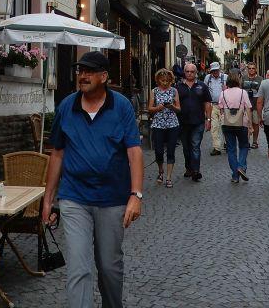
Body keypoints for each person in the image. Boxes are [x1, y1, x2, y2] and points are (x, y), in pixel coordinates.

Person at [43, 51, 143, 308]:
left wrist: (136, 195)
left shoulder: (121, 106)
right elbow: (57, 153)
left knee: (109, 268)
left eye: (88, 71)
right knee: (79, 267)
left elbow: (134, 152)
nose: (82, 76)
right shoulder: (67, 106)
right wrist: (48, 199)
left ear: (104, 76)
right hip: (74, 197)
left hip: (112, 199)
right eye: (80, 71)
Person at [176, 63, 212, 181]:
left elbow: (207, 103)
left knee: (195, 146)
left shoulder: (202, 86)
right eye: (187, 71)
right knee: (186, 147)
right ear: (184, 72)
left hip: (198, 121)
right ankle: (189, 167)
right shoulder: (178, 87)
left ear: (196, 73)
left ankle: (196, 170)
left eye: (192, 71)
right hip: (183, 122)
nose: (190, 73)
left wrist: (208, 119)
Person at [148, 69, 181, 188]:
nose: (165, 83)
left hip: (172, 124)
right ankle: (160, 170)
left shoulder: (174, 91)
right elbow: (150, 108)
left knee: (171, 151)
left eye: (167, 81)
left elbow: (179, 109)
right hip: (158, 124)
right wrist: (158, 108)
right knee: (158, 151)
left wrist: (172, 106)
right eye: (162, 80)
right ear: (158, 80)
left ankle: (168, 177)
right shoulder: (154, 91)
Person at [218, 73, 252, 183]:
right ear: (238, 81)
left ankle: (235, 176)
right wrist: (250, 125)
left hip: (227, 124)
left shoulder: (223, 93)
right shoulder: (243, 92)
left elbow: (221, 109)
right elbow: (248, 108)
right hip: (241, 123)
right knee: (244, 146)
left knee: (231, 150)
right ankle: (241, 166)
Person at [203, 61, 226, 155]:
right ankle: (216, 147)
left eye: (216, 70)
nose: (215, 72)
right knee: (214, 127)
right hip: (212, 105)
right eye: (213, 71)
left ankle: (227, 143)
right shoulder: (207, 78)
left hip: (224, 106)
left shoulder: (225, 77)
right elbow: (205, 91)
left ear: (219, 69)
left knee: (225, 126)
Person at [242, 63, 263, 149]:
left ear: (256, 69)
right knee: (245, 124)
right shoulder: (244, 78)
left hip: (255, 104)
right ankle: (246, 142)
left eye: (253, 68)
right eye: (250, 68)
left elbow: (262, 92)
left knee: (255, 123)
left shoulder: (260, 79)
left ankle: (255, 141)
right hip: (245, 105)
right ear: (247, 69)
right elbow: (240, 89)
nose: (251, 70)